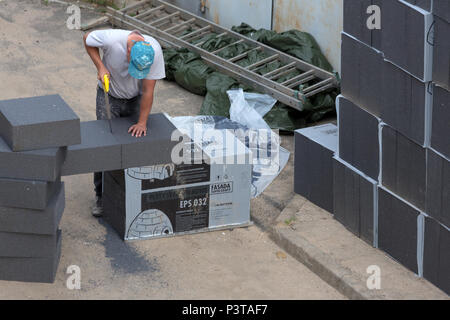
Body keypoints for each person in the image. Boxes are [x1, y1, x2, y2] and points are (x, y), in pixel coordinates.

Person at [83, 29, 166, 217]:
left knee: (134, 145)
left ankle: (130, 195)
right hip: (109, 96)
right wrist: (100, 66)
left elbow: (148, 91)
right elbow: (86, 38)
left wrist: (142, 122)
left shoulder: (153, 51)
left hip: (135, 99)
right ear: (128, 51)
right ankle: (101, 196)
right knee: (104, 146)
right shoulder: (112, 40)